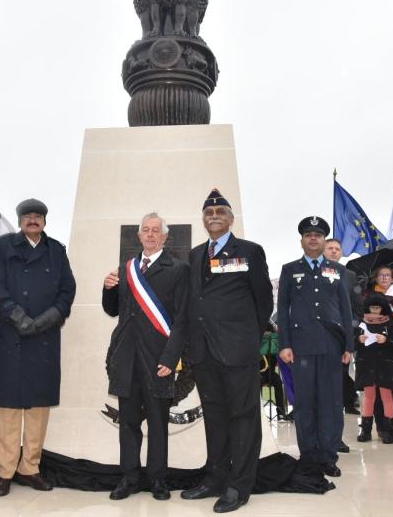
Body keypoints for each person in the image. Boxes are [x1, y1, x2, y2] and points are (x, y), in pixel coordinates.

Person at [181, 189, 273, 513]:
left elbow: (264, 302)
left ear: (231, 219)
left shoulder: (249, 251)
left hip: (237, 352)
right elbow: (195, 301)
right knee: (216, 419)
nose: (215, 215)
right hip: (204, 354)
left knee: (244, 418)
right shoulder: (194, 255)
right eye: (209, 212)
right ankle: (215, 478)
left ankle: (239, 485)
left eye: (221, 211)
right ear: (203, 219)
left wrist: (248, 339)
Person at [0, 198, 76, 497]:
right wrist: (18, 317)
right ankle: (5, 471)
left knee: (37, 408)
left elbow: (67, 289)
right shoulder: (3, 246)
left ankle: (30, 468)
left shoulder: (56, 250)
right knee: (7, 409)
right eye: (27, 216)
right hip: (8, 336)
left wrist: (48, 318)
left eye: (38, 216)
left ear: (45, 221)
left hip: (43, 338)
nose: (33, 220)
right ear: (20, 220)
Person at [102, 213, 188, 501]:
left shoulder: (177, 269)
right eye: (146, 231)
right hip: (127, 359)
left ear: (165, 237)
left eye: (156, 231)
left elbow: (182, 320)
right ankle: (129, 477)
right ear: (138, 236)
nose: (151, 235)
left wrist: (170, 358)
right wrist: (108, 289)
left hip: (158, 360)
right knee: (127, 423)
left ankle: (158, 479)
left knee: (158, 423)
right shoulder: (125, 269)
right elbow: (113, 310)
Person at [277, 216, 353, 478]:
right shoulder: (289, 270)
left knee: (331, 403)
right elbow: (283, 311)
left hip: (332, 346)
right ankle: (308, 456)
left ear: (324, 240)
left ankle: (328, 457)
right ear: (301, 240)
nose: (313, 238)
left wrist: (349, 346)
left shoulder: (338, 271)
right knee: (305, 403)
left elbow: (345, 310)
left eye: (318, 235)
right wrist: (284, 344)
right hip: (301, 347)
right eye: (308, 234)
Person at [324, 238, 362, 418]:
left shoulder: (349, 276)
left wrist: (352, 327)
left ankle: (347, 403)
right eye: (330, 248)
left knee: (342, 370)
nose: (333, 251)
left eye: (337, 249)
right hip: (321, 333)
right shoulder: (314, 272)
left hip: (343, 333)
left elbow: (357, 306)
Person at [355, 294, 393, 444]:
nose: (375, 311)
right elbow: (352, 343)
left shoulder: (389, 324)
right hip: (367, 366)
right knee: (368, 398)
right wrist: (358, 340)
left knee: (387, 397)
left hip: (385, 366)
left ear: (383, 308)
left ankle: (389, 430)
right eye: (372, 307)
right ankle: (366, 431)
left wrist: (386, 340)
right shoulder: (361, 324)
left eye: (378, 307)